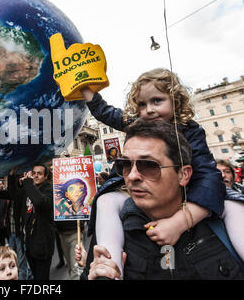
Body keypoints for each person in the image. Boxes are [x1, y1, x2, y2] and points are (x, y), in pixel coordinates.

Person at [79, 68, 231, 277]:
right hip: (130, 200)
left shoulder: (190, 130)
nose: (149, 110)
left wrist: (180, 222)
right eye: (142, 104)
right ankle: (110, 268)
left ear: (175, 101)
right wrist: (85, 91)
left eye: (157, 101)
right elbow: (106, 112)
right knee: (105, 201)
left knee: (232, 205)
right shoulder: (135, 123)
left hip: (191, 196)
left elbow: (209, 178)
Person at [84, 119, 244, 279]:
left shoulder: (226, 224)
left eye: (148, 165)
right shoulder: (111, 234)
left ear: (183, 174)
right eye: (125, 164)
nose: (132, 176)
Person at [12, 164, 55, 280]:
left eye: (39, 173)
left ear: (46, 176)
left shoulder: (49, 189)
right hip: (29, 244)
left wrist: (28, 183)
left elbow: (40, 202)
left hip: (42, 245)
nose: (35, 176)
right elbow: (14, 195)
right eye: (34, 173)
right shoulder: (29, 189)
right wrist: (12, 176)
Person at [0, 169, 34, 280]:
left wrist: (10, 176)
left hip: (20, 234)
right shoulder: (12, 195)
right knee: (13, 260)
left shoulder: (23, 193)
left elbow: (13, 192)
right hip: (11, 233)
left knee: (20, 262)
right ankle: (29, 276)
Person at [216, 159, 244, 261]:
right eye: (218, 172)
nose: (223, 175)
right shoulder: (213, 199)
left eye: (227, 171)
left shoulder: (240, 190)